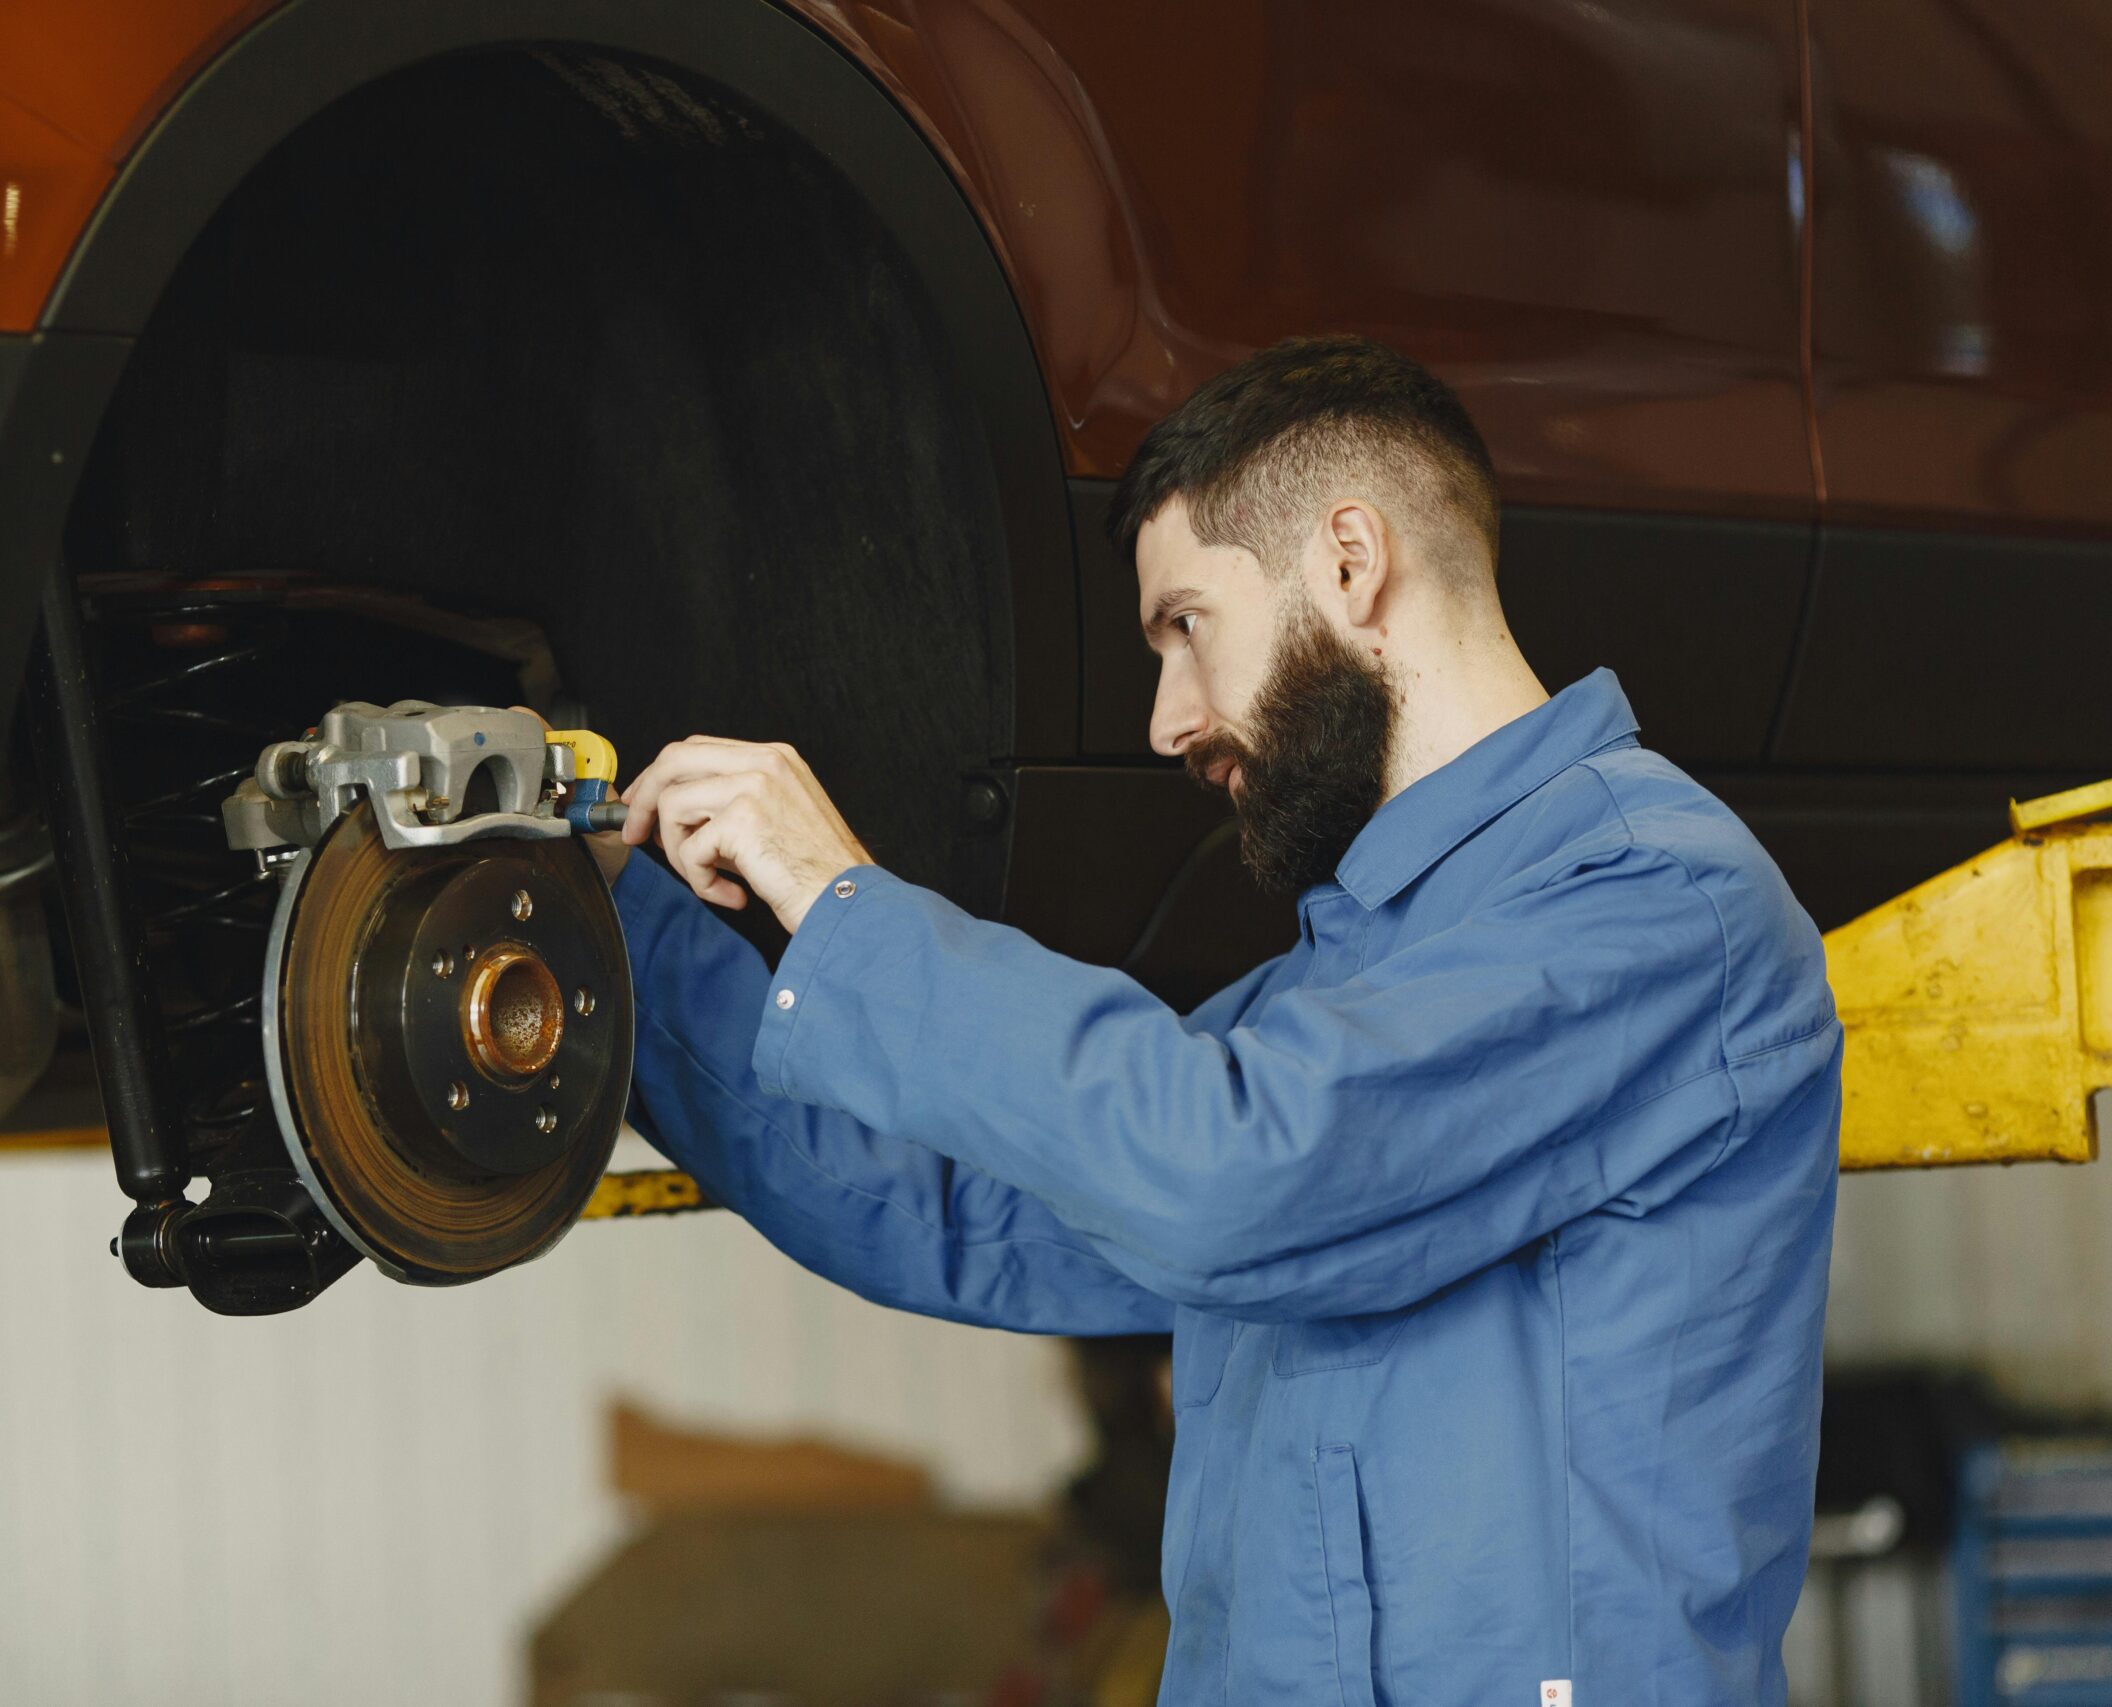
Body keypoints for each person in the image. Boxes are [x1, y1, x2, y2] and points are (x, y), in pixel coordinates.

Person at [588, 334, 1840, 1705]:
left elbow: (1238, 1172)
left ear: (1351, 564)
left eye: (1185, 626)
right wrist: (613, 933)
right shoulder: (1340, 994)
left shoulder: (1654, 904)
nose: (1167, 719)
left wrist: (843, 904)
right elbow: (956, 1207)